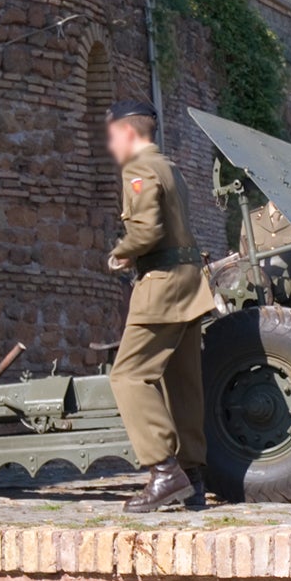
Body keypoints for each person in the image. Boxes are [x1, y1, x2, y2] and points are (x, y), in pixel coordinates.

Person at [103, 100, 215, 512]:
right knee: (182, 383)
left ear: (128, 134)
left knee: (129, 376)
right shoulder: (170, 167)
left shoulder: (138, 167)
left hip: (162, 285)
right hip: (190, 283)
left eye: (112, 135)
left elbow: (147, 230)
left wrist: (121, 252)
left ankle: (165, 473)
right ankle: (194, 478)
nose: (111, 143)